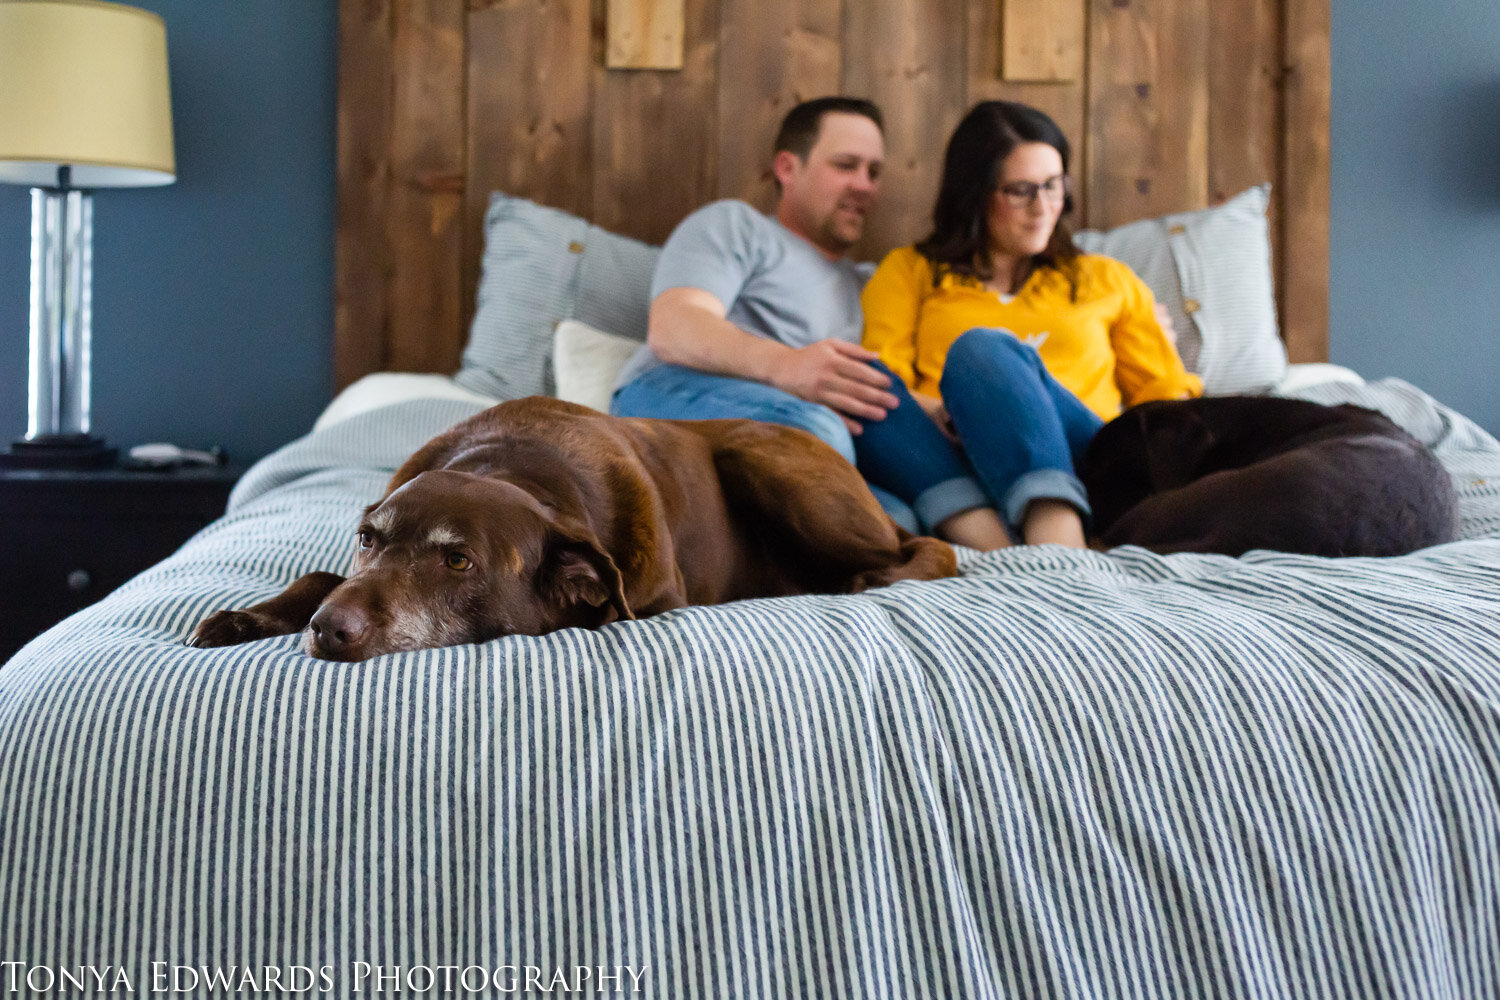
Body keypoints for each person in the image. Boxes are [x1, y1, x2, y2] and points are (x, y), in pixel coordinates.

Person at [855, 100, 1202, 550]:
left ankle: (1057, 537)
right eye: (1021, 190)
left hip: (1084, 462)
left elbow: (1164, 408)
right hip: (956, 458)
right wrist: (964, 408)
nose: (1043, 207)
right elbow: (888, 385)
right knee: (859, 385)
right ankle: (996, 549)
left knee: (984, 350)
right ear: (974, 194)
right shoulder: (907, 272)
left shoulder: (1106, 279)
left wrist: (1007, 388)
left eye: (1054, 186)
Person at [609, 96, 916, 528]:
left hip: (804, 441)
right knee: (816, 436)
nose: (865, 185)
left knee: (900, 520)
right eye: (846, 165)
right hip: (673, 389)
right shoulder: (738, 227)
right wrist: (788, 365)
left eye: (874, 171)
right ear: (788, 168)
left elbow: (873, 386)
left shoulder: (872, 284)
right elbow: (673, 327)